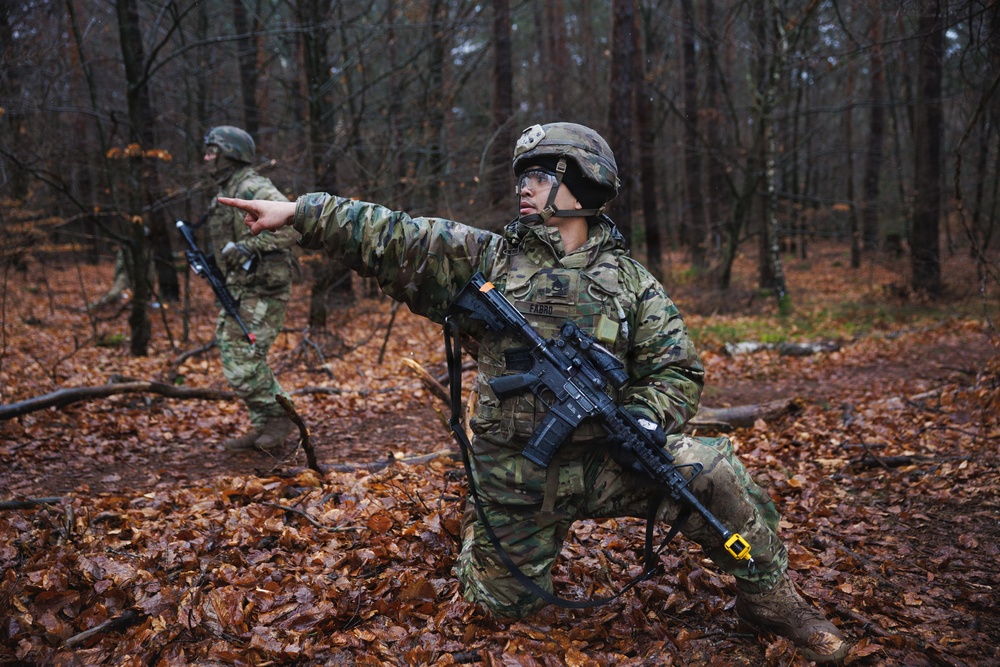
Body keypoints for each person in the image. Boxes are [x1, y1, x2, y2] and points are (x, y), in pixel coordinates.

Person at [219, 122, 849, 662]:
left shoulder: (631, 283)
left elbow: (677, 369)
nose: (523, 186)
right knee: (502, 613)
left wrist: (646, 418)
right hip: (517, 476)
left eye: (541, 174)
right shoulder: (484, 260)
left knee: (714, 474)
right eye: (524, 175)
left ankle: (772, 601)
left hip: (609, 462)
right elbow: (395, 234)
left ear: (584, 182)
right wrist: (301, 214)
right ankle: (482, 536)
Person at [202, 125, 298, 452]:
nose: (206, 158)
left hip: (264, 289)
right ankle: (264, 425)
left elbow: (292, 225)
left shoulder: (252, 186)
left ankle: (280, 418)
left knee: (243, 357)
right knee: (234, 350)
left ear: (231, 153)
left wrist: (248, 247)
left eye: (212, 152)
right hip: (244, 287)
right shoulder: (231, 187)